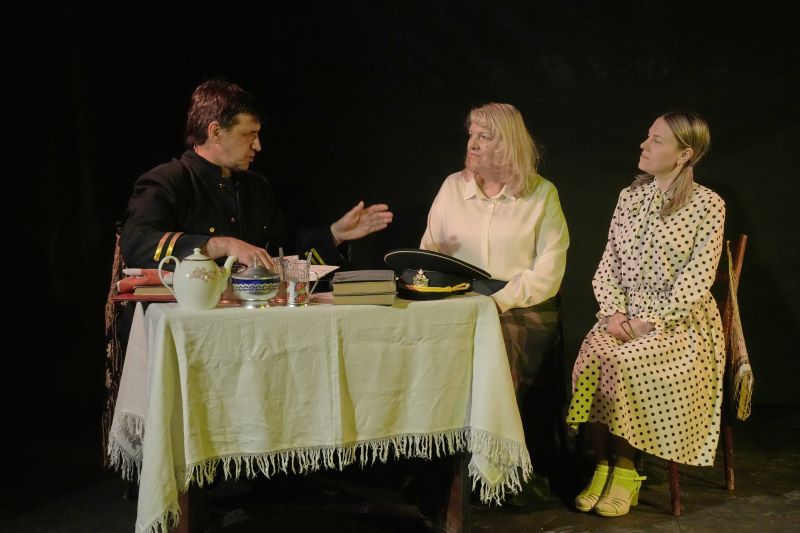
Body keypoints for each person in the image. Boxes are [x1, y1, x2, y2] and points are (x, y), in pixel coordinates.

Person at [566, 111, 725, 517]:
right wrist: (612, 314)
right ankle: (602, 465)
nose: (644, 145)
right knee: (592, 356)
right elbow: (608, 266)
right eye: (647, 137)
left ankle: (625, 470)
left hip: (679, 325)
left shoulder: (708, 205)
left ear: (684, 154)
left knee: (623, 363)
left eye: (656, 140)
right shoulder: (630, 198)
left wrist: (651, 321)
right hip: (623, 316)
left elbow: (697, 278)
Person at [419, 102, 570, 502]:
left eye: (484, 137)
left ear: (507, 144)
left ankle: (499, 472)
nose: (472, 144)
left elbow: (548, 272)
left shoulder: (541, 194)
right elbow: (429, 252)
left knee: (498, 351)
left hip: (522, 304)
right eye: (471, 135)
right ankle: (444, 468)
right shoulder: (453, 187)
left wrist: (499, 300)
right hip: (459, 299)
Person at [120, 78, 393, 270]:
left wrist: (334, 233)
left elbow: (281, 252)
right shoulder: (166, 181)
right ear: (215, 132)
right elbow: (137, 245)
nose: (258, 146)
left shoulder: (256, 187)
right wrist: (221, 245)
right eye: (249, 134)